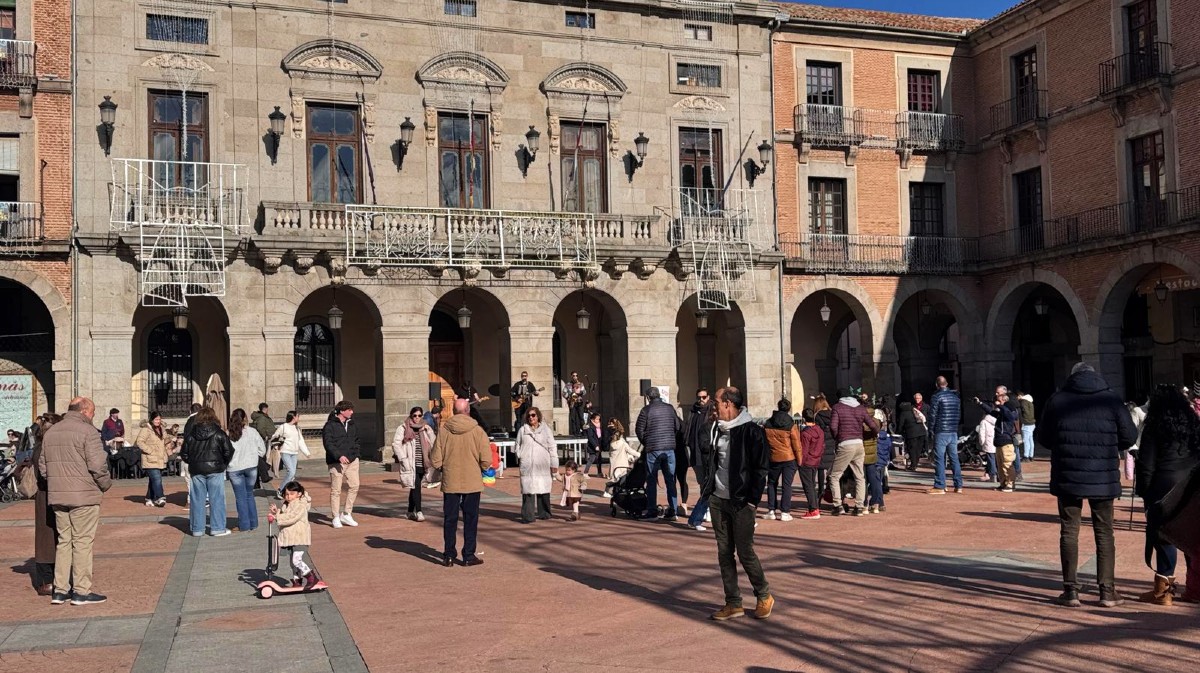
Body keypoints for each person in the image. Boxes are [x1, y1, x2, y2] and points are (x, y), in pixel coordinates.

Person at [1038, 362, 1137, 608]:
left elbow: (1044, 437)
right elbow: (1130, 437)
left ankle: (1071, 591)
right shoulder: (1112, 400)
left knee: (1069, 531)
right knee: (1104, 532)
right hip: (1102, 476)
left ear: (1072, 376)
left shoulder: (1057, 400)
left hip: (1068, 476)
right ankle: (1107, 591)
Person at [704, 387, 773, 621]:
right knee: (724, 553)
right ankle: (733, 602)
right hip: (718, 499)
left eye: (716, 402)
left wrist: (753, 501)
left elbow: (761, 468)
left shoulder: (751, 432)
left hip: (742, 501)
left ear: (728, 404)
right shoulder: (717, 429)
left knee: (745, 551)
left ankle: (764, 595)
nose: (713, 406)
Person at [37, 397, 112, 605]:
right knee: (82, 542)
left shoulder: (52, 432)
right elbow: (98, 465)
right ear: (85, 410)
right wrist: (105, 484)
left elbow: (43, 468)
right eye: (93, 412)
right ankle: (81, 590)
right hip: (83, 496)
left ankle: (60, 590)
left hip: (59, 496)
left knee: (64, 542)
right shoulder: (88, 432)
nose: (93, 416)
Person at [1134, 384, 1200, 606]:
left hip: (1163, 483)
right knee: (1191, 535)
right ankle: (1195, 587)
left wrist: (1144, 491)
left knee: (1164, 537)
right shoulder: (1193, 422)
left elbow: (1146, 464)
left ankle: (1163, 592)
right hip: (1190, 483)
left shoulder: (1154, 425)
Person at [429, 398, 491, 567]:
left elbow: (435, 458)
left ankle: (449, 554)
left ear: (453, 412)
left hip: (451, 480)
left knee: (450, 519)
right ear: (467, 411)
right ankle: (468, 555)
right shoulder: (477, 431)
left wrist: (444, 467)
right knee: (471, 519)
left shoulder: (444, 431)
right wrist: (481, 467)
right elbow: (486, 460)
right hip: (472, 480)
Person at [181, 406, 235, 537]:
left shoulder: (191, 434)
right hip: (215, 469)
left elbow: (184, 453)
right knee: (216, 499)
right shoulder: (219, 433)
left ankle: (197, 529)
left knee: (197, 500)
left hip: (197, 470)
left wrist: (192, 462)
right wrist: (223, 463)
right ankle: (217, 528)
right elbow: (229, 451)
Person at [828, 388, 878, 516]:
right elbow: (872, 425)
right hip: (859, 443)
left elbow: (833, 426)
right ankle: (859, 506)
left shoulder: (837, 407)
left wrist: (837, 438)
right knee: (859, 476)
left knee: (834, 475)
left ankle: (837, 505)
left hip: (845, 443)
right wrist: (874, 434)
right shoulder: (860, 407)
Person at [636, 386, 683, 521]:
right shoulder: (669, 408)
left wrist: (647, 441)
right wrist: (670, 436)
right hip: (669, 447)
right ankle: (673, 511)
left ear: (648, 397)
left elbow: (639, 429)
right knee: (670, 479)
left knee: (651, 479)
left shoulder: (646, 410)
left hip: (653, 448)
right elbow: (677, 426)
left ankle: (652, 511)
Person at [29, 414, 60, 595]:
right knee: (47, 537)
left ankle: (51, 579)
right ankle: (47, 581)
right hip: (46, 495)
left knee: (49, 536)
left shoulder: (41, 446)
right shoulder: (43, 448)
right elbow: (44, 475)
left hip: (48, 494)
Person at [269, 481, 321, 589]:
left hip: (299, 537)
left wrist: (277, 518)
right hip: (290, 538)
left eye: (292, 494)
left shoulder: (300, 505)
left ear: (299, 494)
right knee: (292, 563)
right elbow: (285, 516)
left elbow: (292, 517)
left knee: (296, 560)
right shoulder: (286, 505)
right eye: (287, 494)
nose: (289, 496)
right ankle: (297, 580)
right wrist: (277, 512)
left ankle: (312, 577)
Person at [762, 398, 803, 522]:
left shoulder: (768, 423)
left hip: (773, 457)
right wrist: (799, 460)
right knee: (787, 485)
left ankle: (771, 510)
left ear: (778, 407)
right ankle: (785, 512)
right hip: (789, 457)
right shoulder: (791, 424)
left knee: (771, 483)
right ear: (789, 408)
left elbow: (764, 442)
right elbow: (796, 444)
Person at [515, 407, 558, 523]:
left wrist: (554, 463)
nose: (531, 418)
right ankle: (528, 516)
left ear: (538, 416)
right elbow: (517, 445)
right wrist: (521, 455)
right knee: (528, 491)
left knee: (543, 489)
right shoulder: (522, 430)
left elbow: (552, 447)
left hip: (542, 463)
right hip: (527, 465)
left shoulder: (546, 430)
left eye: (533, 415)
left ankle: (544, 513)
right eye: (529, 416)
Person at [393, 406, 436, 522]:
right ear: (411, 416)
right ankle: (419, 511)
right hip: (411, 462)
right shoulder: (403, 428)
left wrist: (429, 431)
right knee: (417, 486)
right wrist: (403, 458)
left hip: (423, 462)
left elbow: (434, 443)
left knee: (414, 486)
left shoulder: (426, 428)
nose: (417, 418)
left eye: (419, 415)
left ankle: (410, 511)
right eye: (415, 416)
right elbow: (396, 444)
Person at [226, 408, 266, 533]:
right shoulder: (252, 432)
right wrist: (254, 455)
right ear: (245, 419)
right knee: (249, 494)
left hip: (235, 468)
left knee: (240, 497)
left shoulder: (229, 434)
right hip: (251, 466)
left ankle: (244, 524)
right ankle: (253, 522)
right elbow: (262, 450)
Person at [323, 401, 360, 529]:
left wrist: (355, 454)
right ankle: (335, 517)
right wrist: (338, 456)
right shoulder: (330, 425)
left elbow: (356, 440)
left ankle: (347, 513)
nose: (352, 412)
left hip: (352, 460)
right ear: (342, 411)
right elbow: (328, 444)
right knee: (336, 490)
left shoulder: (352, 424)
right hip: (336, 462)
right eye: (349, 410)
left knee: (354, 486)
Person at [976, 386, 1018, 492]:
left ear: (1004, 400)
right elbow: (991, 411)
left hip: (1006, 441)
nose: (997, 402)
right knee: (999, 465)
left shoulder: (1010, 410)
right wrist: (980, 404)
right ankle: (1003, 483)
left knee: (1007, 463)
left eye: (999, 400)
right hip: (998, 441)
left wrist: (1001, 406)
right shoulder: (1000, 412)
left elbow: (1010, 417)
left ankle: (1010, 484)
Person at [927, 376, 963, 494]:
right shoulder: (955, 397)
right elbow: (958, 414)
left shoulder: (937, 396)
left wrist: (931, 430)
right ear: (946, 383)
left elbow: (933, 415)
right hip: (953, 431)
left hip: (941, 430)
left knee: (939, 459)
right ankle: (958, 485)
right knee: (954, 458)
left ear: (937, 385)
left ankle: (940, 485)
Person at [685, 388, 715, 528]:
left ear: (708, 397)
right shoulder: (693, 411)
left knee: (709, 484)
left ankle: (706, 511)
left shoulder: (711, 411)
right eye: (699, 397)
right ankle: (704, 511)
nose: (701, 400)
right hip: (696, 453)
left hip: (708, 454)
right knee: (702, 483)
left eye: (704, 397)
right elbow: (688, 430)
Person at [133, 412, 171, 507]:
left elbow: (165, 439)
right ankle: (160, 497)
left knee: (153, 480)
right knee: (157, 478)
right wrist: (149, 450)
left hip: (160, 458)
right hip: (150, 459)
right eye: (156, 420)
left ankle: (149, 498)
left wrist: (170, 442)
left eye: (159, 419)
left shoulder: (162, 428)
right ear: (152, 420)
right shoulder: (146, 429)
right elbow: (139, 442)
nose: (158, 421)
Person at [269, 411, 310, 499]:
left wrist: (306, 452)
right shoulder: (283, 427)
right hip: (285, 451)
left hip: (294, 453)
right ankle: (281, 489)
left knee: (292, 473)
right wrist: (277, 446)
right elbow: (274, 437)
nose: (298, 418)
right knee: (291, 472)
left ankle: (289, 492)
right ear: (294, 417)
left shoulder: (297, 428)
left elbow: (300, 441)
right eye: (298, 416)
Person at [796, 408, 825, 520]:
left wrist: (800, 462)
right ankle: (815, 507)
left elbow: (803, 450)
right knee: (812, 485)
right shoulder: (820, 430)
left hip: (807, 462)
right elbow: (822, 446)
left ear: (803, 419)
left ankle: (813, 509)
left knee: (808, 486)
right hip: (816, 460)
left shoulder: (805, 433)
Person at [812, 394, 838, 511]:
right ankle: (832, 491)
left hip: (822, 444)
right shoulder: (833, 413)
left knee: (821, 469)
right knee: (832, 470)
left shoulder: (817, 416)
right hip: (833, 443)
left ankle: (821, 492)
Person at [604, 419, 639, 497]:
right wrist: (638, 454)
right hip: (622, 463)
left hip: (614, 463)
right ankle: (609, 491)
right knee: (621, 478)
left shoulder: (612, 444)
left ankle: (610, 491)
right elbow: (630, 450)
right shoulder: (622, 443)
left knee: (615, 478)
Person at [865, 429, 891, 514]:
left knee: (869, 482)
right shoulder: (887, 438)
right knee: (878, 482)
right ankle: (880, 503)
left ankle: (870, 503)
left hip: (873, 461)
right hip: (882, 463)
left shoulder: (872, 437)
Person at [895, 400, 926, 471]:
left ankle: (913, 465)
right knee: (918, 449)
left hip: (912, 433)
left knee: (912, 449)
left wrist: (898, 432)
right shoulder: (914, 410)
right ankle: (915, 463)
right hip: (922, 432)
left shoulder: (904, 413)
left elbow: (900, 425)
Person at [251, 403, 278, 476]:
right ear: (265, 409)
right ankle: (262, 470)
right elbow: (260, 428)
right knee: (263, 454)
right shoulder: (262, 417)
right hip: (264, 438)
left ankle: (263, 469)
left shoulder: (262, 416)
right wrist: (265, 435)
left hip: (266, 437)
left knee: (264, 454)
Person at [977, 411, 997, 483]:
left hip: (988, 442)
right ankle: (996, 475)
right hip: (996, 442)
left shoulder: (984, 421)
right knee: (996, 459)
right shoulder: (996, 420)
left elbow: (982, 433)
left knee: (990, 459)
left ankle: (992, 475)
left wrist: (981, 442)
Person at [564, 371, 587, 436]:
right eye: (573, 376)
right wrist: (568, 397)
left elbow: (584, 392)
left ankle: (584, 431)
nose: (575, 377)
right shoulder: (568, 384)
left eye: (576, 375)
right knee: (573, 418)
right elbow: (564, 393)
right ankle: (574, 433)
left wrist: (579, 393)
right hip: (572, 402)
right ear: (571, 376)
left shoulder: (580, 384)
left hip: (579, 402)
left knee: (581, 417)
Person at [583, 413, 605, 478]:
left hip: (599, 444)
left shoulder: (599, 425)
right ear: (593, 419)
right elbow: (590, 437)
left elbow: (601, 435)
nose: (598, 420)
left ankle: (599, 473)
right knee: (591, 459)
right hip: (593, 446)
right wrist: (595, 445)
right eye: (596, 419)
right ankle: (585, 472)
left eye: (599, 419)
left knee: (599, 460)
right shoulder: (590, 426)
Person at [1017, 391, 1037, 461]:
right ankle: (1031, 455)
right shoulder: (1029, 402)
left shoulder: (1023, 402)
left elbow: (1025, 412)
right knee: (1030, 440)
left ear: (1019, 396)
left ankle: (1026, 456)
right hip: (1032, 423)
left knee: (1026, 441)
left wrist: (1022, 420)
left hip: (1026, 423)